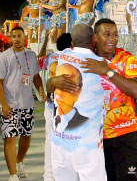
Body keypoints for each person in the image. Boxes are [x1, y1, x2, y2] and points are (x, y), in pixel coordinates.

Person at [83, 18, 137, 181]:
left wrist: (108, 71)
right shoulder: (88, 61)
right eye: (106, 34)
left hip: (126, 131)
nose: (112, 39)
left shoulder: (127, 59)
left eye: (115, 35)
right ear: (95, 38)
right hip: (96, 135)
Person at [46, 23, 110, 180]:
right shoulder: (100, 66)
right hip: (87, 147)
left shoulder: (63, 56)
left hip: (59, 143)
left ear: (72, 42)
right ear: (94, 38)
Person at [0, 26, 46, 181]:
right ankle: (13, 174)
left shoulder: (31, 55)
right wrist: (4, 103)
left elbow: (36, 76)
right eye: (13, 36)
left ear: (25, 38)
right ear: (10, 39)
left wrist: (41, 90)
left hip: (27, 104)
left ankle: (19, 161)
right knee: (10, 138)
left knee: (26, 136)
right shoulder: (4, 57)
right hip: (10, 105)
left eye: (19, 36)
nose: (16, 39)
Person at [40, 31, 72, 181]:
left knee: (50, 140)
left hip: (51, 105)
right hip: (66, 106)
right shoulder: (73, 59)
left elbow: (39, 60)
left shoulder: (51, 58)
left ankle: (49, 175)